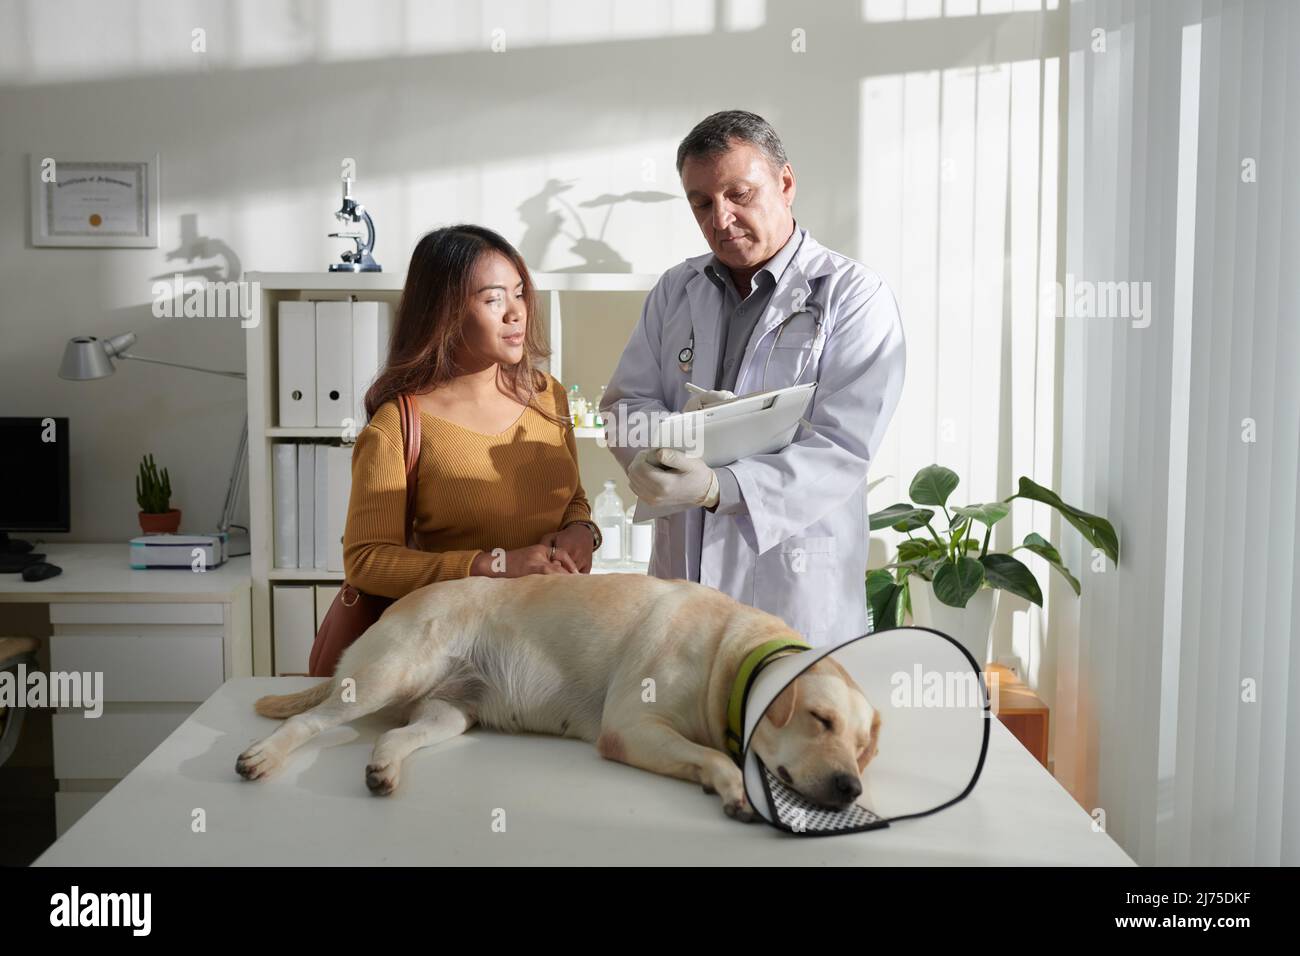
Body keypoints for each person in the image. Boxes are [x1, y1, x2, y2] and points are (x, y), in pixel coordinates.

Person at [600, 110, 906, 646]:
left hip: (794, 589)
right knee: (678, 720)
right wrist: (654, 452)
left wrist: (723, 487)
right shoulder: (676, 290)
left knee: (788, 722)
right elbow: (627, 403)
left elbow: (842, 446)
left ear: (785, 183)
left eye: (739, 194)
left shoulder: (853, 296)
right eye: (702, 202)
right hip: (683, 590)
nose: (721, 218)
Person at [343, 224, 602, 599]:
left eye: (519, 294)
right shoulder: (398, 425)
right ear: (443, 311)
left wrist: (583, 531)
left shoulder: (548, 395)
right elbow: (367, 561)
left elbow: (572, 497)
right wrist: (494, 565)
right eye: (494, 299)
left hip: (553, 627)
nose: (516, 312)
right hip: (460, 640)